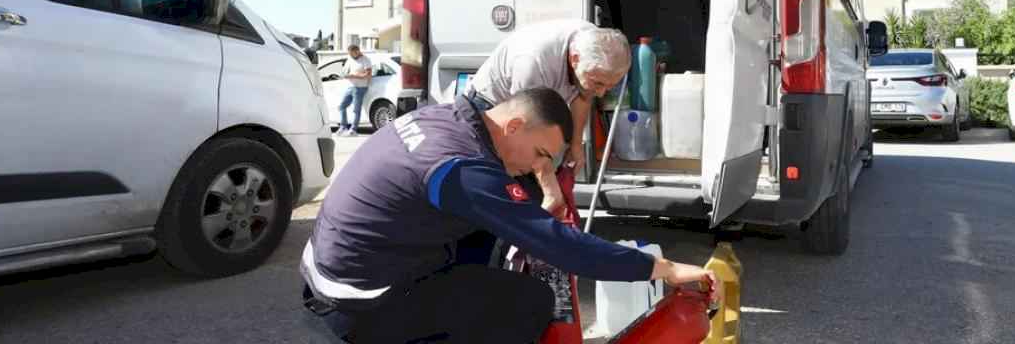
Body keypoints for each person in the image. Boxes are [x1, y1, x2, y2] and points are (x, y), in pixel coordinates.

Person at [300, 88, 715, 343]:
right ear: (514, 124)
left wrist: (535, 194)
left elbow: (509, 199)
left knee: (489, 241)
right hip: (358, 304)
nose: (537, 167)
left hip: (331, 271)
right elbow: (560, 246)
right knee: (528, 301)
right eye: (540, 155)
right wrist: (662, 268)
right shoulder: (463, 167)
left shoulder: (448, 118)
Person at [466, 20, 629, 213]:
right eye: (598, 83)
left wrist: (576, 145)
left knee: (534, 193)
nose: (601, 93)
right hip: (492, 110)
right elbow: (527, 135)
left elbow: (584, 96)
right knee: (506, 193)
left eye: (609, 87)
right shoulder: (533, 62)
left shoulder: (596, 43)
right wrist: (551, 191)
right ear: (575, 59)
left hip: (530, 116)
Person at [337, 45, 372, 137]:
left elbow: (368, 75)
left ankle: (353, 129)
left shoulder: (365, 60)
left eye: (352, 53)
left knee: (356, 109)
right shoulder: (350, 59)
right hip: (351, 86)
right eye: (349, 54)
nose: (351, 55)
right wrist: (347, 75)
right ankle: (343, 127)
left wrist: (354, 76)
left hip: (360, 87)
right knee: (341, 106)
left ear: (357, 51)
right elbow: (344, 72)